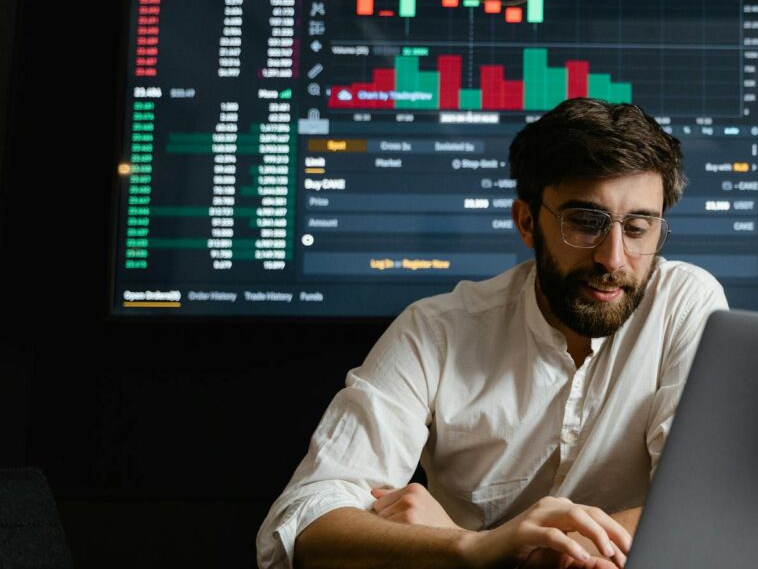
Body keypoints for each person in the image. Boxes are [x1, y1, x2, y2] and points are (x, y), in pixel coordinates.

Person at [256, 98, 728, 569]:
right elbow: (303, 523)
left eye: (639, 228)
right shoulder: (434, 331)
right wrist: (470, 549)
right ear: (527, 222)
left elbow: (706, 505)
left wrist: (490, 549)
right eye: (585, 224)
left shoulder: (684, 303)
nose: (613, 258)